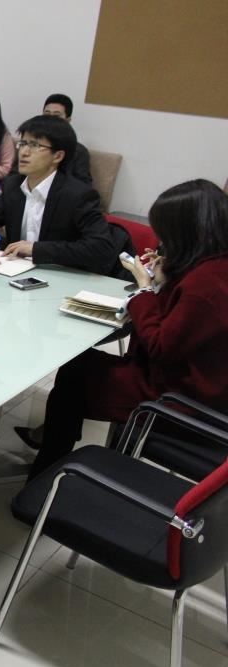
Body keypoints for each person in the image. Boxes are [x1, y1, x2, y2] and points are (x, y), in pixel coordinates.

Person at [27, 179, 228, 479]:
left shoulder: (205, 285)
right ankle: (54, 448)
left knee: (74, 377)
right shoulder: (212, 266)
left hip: (179, 399)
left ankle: (46, 469)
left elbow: (160, 346)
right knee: (77, 368)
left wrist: (145, 290)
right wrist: (166, 278)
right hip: (197, 385)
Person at [0, 115, 122, 276]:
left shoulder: (77, 194)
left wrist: (36, 249)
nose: (24, 152)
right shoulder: (14, 186)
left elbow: (101, 247)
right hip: (16, 272)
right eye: (23, 144)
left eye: (35, 145)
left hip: (63, 275)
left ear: (58, 156)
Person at [42, 93, 93, 186]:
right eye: (47, 114)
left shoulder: (78, 151)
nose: (50, 120)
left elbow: (83, 185)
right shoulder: (31, 144)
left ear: (68, 120)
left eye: (56, 116)